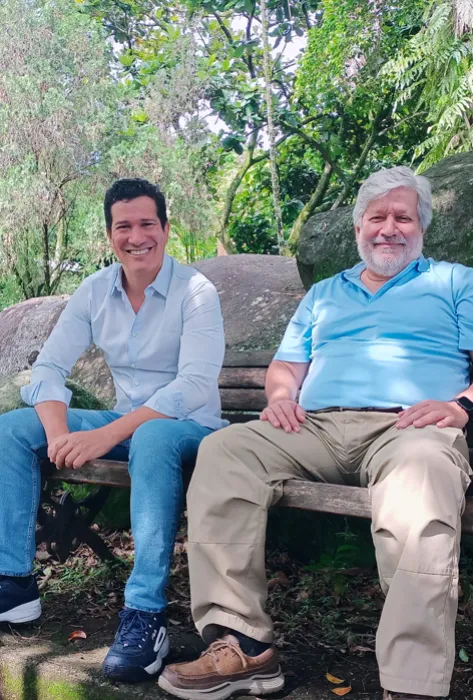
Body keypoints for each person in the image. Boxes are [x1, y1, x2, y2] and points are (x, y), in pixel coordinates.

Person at [159, 166, 473, 700]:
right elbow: (286, 367)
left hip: (408, 428)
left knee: (421, 483)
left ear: (422, 229)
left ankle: (412, 682)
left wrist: (461, 407)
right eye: (377, 217)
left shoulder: (455, 282)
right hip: (316, 425)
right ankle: (243, 646)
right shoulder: (326, 293)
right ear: (358, 229)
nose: (389, 228)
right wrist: (280, 398)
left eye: (403, 217)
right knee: (225, 451)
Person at [0, 178, 226, 683]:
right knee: (12, 429)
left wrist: (104, 436)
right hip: (127, 424)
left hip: (189, 429)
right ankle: (14, 585)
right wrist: (58, 432)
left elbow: (191, 386)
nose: (136, 236)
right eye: (124, 226)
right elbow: (49, 368)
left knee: (151, 435)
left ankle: (145, 614)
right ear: (110, 235)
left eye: (147, 224)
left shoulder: (196, 292)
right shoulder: (96, 290)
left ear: (166, 230)